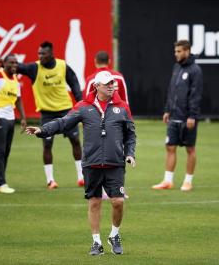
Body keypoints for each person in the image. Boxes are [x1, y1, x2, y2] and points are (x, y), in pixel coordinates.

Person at [25, 71, 136, 255]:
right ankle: (96, 242)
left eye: (112, 83)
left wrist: (130, 153)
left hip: (115, 163)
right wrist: (42, 130)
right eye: (107, 83)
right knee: (94, 202)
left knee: (118, 202)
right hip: (91, 164)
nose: (111, 86)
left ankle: (114, 235)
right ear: (96, 86)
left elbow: (130, 133)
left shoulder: (122, 107)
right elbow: (63, 123)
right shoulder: (83, 107)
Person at [17, 41, 83, 189]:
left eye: (43, 53)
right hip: (47, 113)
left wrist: (81, 104)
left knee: (75, 141)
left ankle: (81, 177)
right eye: (39, 53)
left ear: (51, 53)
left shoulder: (62, 65)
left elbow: (75, 84)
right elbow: (18, 67)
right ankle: (50, 180)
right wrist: (3, 64)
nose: (40, 56)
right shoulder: (34, 68)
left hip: (66, 110)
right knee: (47, 144)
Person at [152, 40, 203, 192]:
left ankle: (188, 181)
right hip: (174, 116)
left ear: (187, 51)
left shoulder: (195, 70)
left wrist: (192, 116)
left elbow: (196, 95)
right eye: (175, 51)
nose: (176, 54)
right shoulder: (176, 67)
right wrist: (167, 110)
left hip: (187, 117)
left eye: (179, 51)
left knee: (190, 149)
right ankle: (168, 181)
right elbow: (171, 91)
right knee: (170, 147)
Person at [84, 50, 130, 199]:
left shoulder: (91, 79)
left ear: (95, 61)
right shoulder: (119, 77)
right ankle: (120, 187)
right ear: (109, 61)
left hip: (98, 122)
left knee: (100, 152)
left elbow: (87, 103)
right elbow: (126, 101)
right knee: (120, 152)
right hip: (119, 119)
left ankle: (106, 189)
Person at [0, 54, 26, 194]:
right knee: (0, 151)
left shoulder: (15, 78)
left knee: (6, 151)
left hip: (10, 118)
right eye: (11, 62)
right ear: (4, 63)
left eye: (16, 62)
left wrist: (23, 118)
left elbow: (18, 99)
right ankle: (1, 183)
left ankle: (0, 182)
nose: (15, 65)